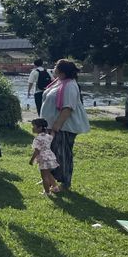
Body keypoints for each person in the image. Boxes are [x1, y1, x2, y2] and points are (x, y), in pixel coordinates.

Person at [40, 59, 90, 192]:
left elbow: (67, 108)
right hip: (52, 126)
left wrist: (56, 126)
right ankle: (50, 179)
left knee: (62, 155)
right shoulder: (59, 82)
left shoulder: (70, 86)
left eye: (56, 66)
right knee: (51, 153)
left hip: (63, 127)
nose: (54, 67)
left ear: (62, 71)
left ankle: (64, 183)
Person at [28, 118, 59, 195]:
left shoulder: (37, 139)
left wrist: (32, 160)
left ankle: (47, 192)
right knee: (48, 173)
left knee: (44, 177)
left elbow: (37, 151)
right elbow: (52, 135)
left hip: (43, 159)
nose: (32, 128)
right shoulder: (47, 136)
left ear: (40, 128)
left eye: (34, 126)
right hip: (50, 157)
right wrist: (53, 130)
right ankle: (55, 187)